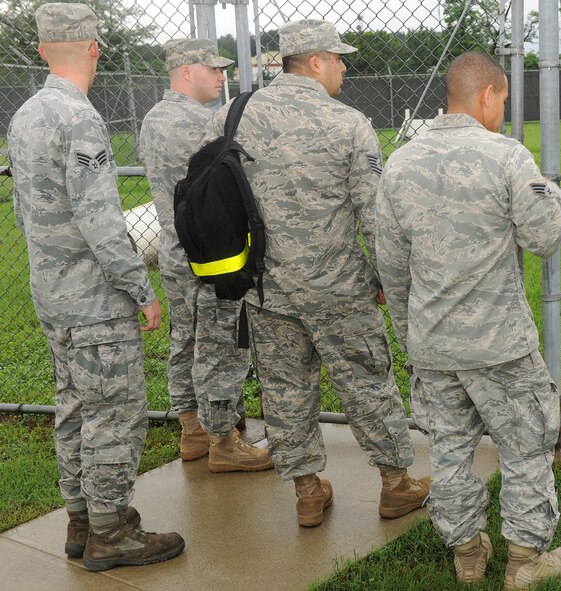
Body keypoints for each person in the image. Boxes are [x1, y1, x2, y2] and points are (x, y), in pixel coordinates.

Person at [201, 19, 429, 528]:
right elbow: (373, 216)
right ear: (317, 62)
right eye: (340, 58)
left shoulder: (233, 117)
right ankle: (396, 485)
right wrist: (388, 280)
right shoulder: (348, 123)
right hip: (339, 288)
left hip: (266, 288)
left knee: (286, 391)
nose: (345, 68)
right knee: (367, 383)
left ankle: (306, 492)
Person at [376, 51, 561, 590]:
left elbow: (392, 269)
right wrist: (551, 193)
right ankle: (523, 561)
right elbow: (547, 237)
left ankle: (467, 554)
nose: (503, 112)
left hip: (434, 345)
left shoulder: (399, 164)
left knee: (448, 452)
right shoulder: (507, 157)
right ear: (488, 94)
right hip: (501, 346)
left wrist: (411, 334)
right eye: (504, 101)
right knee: (526, 448)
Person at [8, 3, 183, 571]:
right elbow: (102, 219)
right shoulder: (78, 117)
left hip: (51, 292)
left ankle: (82, 522)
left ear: (40, 50)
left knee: (74, 407)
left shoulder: (26, 115)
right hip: (93, 300)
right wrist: (139, 288)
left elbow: (22, 211)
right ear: (94, 48)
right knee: (114, 410)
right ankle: (111, 533)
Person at [139, 38, 271, 473]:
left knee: (187, 340)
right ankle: (223, 440)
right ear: (185, 71)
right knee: (220, 345)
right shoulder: (197, 121)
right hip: (212, 256)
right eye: (212, 69)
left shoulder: (155, 118)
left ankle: (193, 431)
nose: (221, 77)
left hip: (177, 254)